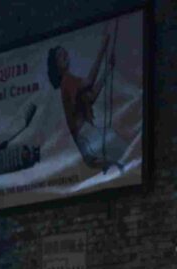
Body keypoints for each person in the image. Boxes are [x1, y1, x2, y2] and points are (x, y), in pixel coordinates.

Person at [47, 27, 129, 174]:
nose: (64, 55)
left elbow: (91, 97)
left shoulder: (70, 82)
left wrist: (108, 69)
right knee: (120, 150)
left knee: (116, 151)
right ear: (56, 66)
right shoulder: (67, 81)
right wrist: (103, 48)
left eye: (64, 52)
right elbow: (90, 82)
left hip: (86, 134)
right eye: (59, 55)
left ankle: (116, 166)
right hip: (85, 134)